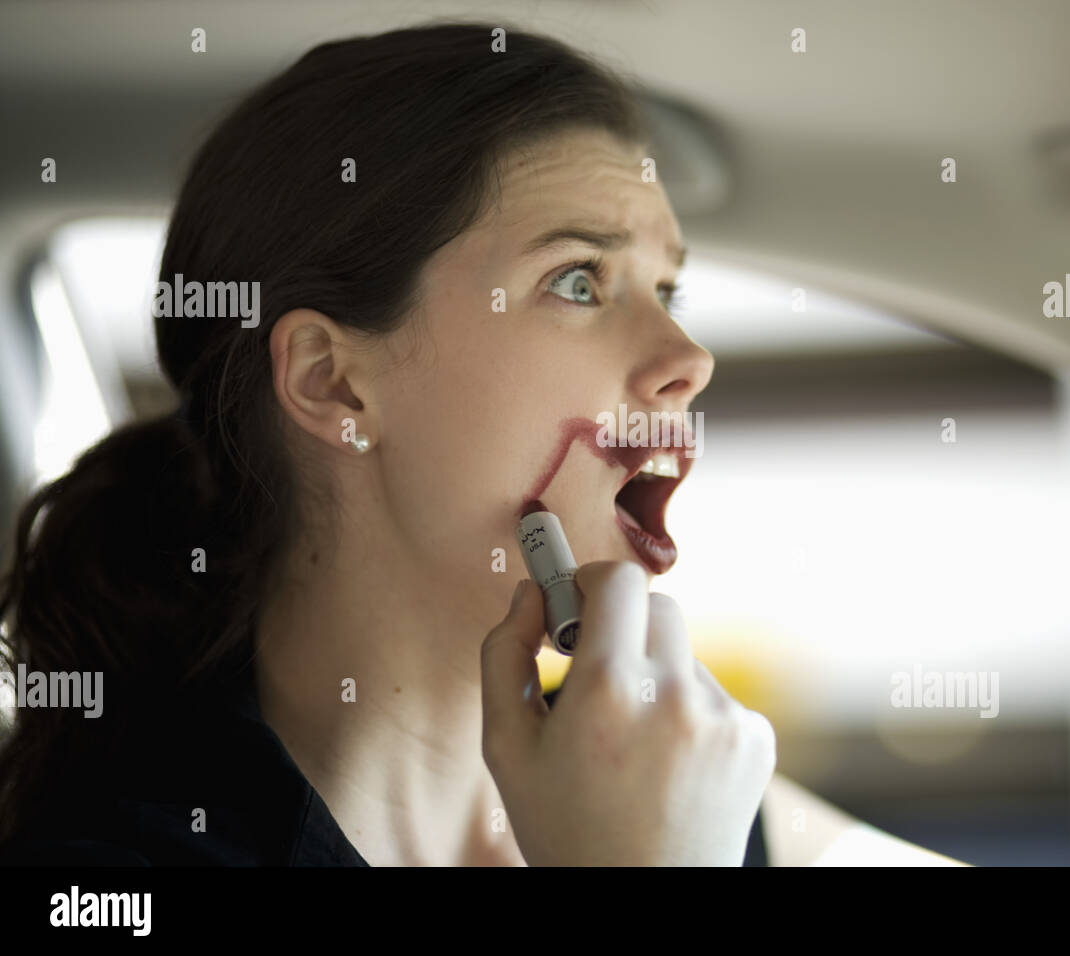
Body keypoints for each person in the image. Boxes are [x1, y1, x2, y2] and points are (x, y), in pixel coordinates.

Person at [0, 20, 962, 867]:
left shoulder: (689, 790)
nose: (689, 358)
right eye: (580, 280)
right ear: (332, 380)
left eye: (667, 291)